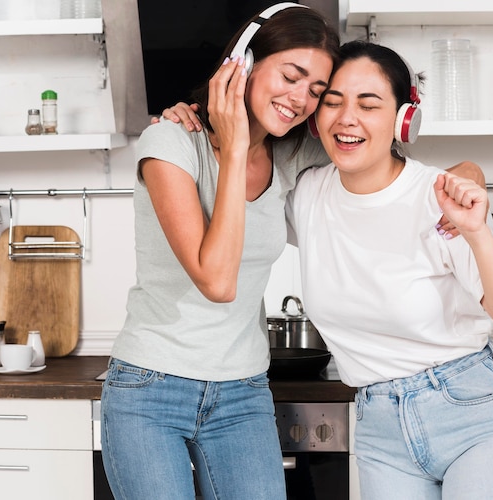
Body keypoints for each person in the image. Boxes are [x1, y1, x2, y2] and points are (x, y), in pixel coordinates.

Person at [100, 5, 340, 500]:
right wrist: (233, 149)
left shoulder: (292, 154)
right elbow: (217, 280)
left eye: (316, 91)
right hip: (150, 387)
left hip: (243, 391)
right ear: (243, 64)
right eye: (291, 76)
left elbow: (378, 156)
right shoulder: (170, 142)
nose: (300, 100)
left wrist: (464, 170)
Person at [285, 40, 493, 499]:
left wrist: (478, 232)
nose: (347, 118)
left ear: (405, 118)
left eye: (369, 104)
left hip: (470, 411)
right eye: (333, 102)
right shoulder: (306, 195)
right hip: (379, 426)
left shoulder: (438, 195)